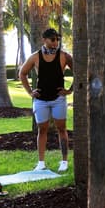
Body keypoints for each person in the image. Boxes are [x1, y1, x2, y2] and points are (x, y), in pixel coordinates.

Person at [19, 27, 73, 173]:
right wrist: (30, 92)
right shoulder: (35, 57)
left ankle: (64, 161)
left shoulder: (64, 56)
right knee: (42, 130)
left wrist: (69, 90)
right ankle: (41, 163)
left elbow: (79, 72)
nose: (56, 42)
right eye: (53, 39)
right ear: (44, 40)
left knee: (61, 129)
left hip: (58, 100)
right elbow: (22, 73)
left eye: (57, 40)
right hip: (41, 100)